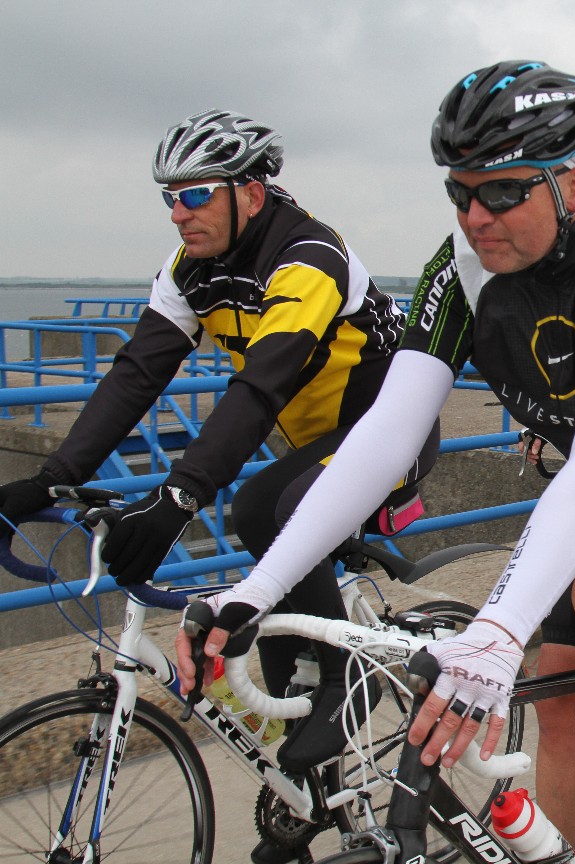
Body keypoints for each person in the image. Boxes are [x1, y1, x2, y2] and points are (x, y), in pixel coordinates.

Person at [175, 61, 575, 862]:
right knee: (566, 708)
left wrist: (498, 634)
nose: (476, 217)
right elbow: (386, 435)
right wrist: (256, 589)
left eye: (503, 192)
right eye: (460, 192)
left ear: (574, 183)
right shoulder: (462, 267)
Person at [0, 109, 437, 863]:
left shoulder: (309, 258)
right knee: (270, 606)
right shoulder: (189, 268)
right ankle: (308, 799)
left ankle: (344, 688)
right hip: (317, 445)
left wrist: (178, 499)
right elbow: (138, 372)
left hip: (391, 434)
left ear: (251, 194)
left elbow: (260, 388)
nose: (179, 212)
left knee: (266, 508)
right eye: (169, 197)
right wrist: (51, 479)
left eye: (196, 194)